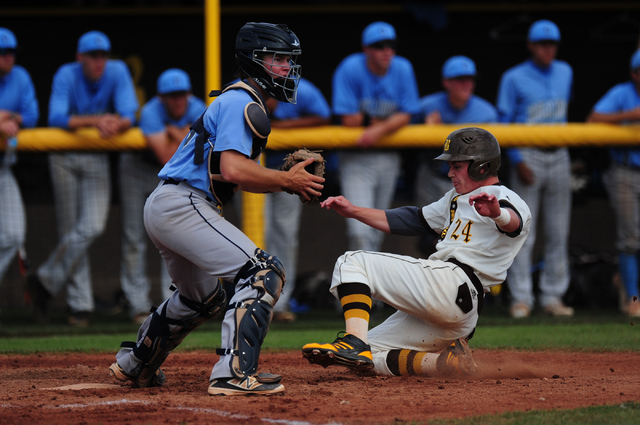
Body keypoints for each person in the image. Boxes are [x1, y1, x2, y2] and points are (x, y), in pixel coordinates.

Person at [108, 22, 323, 396]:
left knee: (202, 298)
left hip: (168, 204)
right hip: (184, 204)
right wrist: (287, 180)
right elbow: (233, 169)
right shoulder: (244, 102)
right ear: (254, 62)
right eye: (278, 59)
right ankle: (233, 374)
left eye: (288, 60)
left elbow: (231, 175)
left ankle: (136, 364)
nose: (287, 68)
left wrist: (280, 180)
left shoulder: (235, 99)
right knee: (264, 271)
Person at [302, 127, 531, 377]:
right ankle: (445, 364)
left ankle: (354, 342)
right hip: (457, 311)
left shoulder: (503, 197)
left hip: (454, 283)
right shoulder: (455, 198)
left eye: (457, 165)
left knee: (352, 261)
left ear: (482, 166)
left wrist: (497, 213)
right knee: (364, 361)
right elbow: (412, 220)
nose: (450, 172)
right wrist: (354, 211)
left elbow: (515, 224)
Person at [26, 30, 139, 326]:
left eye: (102, 55)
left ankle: (44, 280)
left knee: (91, 225)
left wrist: (119, 122)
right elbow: (55, 118)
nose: (98, 61)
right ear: (80, 58)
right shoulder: (67, 73)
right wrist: (97, 120)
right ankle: (80, 305)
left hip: (95, 153)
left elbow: (130, 112)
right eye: (92, 56)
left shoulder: (117, 70)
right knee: (70, 228)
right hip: (64, 155)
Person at [496, 19, 574, 318]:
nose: (548, 49)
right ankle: (522, 298)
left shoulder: (566, 71)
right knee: (522, 231)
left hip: (559, 154)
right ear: (531, 45)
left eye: (552, 43)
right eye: (542, 44)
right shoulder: (513, 77)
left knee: (558, 231)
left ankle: (552, 297)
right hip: (528, 155)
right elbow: (503, 124)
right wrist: (517, 159)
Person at [119, 69, 207, 324]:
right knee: (134, 237)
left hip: (171, 177)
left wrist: (173, 133)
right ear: (161, 97)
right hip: (138, 169)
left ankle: (171, 305)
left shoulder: (198, 107)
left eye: (181, 95)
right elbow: (167, 156)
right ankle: (137, 305)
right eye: (171, 96)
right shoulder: (151, 111)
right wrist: (184, 136)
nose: (177, 100)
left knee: (171, 238)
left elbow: (199, 152)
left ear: (188, 94)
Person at [332, 21, 420, 254]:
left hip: (388, 156)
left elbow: (409, 113)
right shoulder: (351, 67)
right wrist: (388, 122)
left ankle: (371, 287)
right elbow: (348, 120)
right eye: (379, 46)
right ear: (366, 49)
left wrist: (377, 129)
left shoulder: (402, 68)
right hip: (356, 158)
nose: (386, 51)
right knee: (359, 231)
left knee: (379, 228)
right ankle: (356, 284)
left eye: (390, 45)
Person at [414, 55, 497, 255]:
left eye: (470, 79)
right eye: (460, 79)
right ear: (446, 82)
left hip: (470, 184)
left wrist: (438, 133)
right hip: (433, 177)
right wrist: (425, 130)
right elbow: (404, 128)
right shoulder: (427, 105)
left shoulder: (487, 113)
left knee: (465, 238)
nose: (467, 84)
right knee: (427, 236)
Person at [264, 77, 331, 322]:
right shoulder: (245, 92)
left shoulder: (298, 88)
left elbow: (323, 116)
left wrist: (287, 128)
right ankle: (254, 299)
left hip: (288, 175)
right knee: (255, 236)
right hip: (254, 172)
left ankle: (281, 302)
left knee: (285, 236)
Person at [586, 49, 640, 318]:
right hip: (626, 171)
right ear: (634, 74)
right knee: (630, 238)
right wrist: (631, 114)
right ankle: (633, 298)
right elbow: (593, 120)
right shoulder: (623, 92)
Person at [0, 28, 39, 287]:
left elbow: (32, 117)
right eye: (2, 53)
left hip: (3, 167)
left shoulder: (20, 76)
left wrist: (7, 116)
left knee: (13, 235)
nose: (9, 57)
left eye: (11, 52)